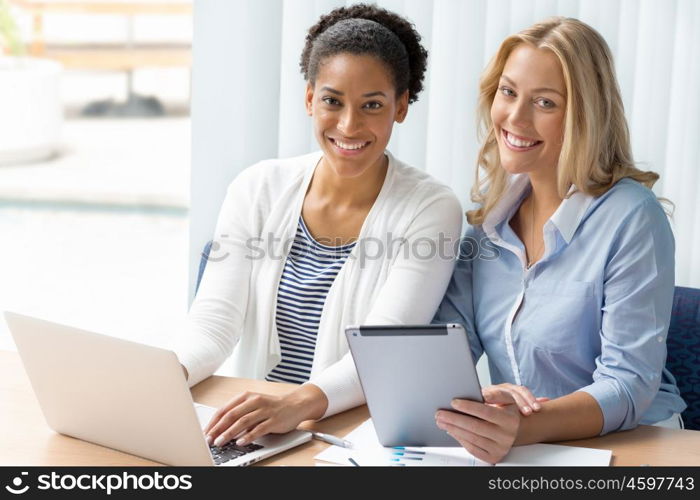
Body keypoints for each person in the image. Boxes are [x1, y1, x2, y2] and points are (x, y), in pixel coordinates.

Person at [173, 4, 463, 448]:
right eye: (332, 101)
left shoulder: (431, 208)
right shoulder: (258, 187)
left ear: (401, 107)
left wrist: (296, 406)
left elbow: (381, 351)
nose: (349, 125)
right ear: (309, 98)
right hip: (257, 429)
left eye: (372, 105)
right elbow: (214, 324)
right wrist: (164, 376)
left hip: (344, 436)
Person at [433, 17, 687, 464]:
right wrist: (472, 402)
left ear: (584, 116)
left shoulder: (632, 218)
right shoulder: (487, 225)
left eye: (544, 102)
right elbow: (447, 349)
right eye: (508, 92)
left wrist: (522, 425)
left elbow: (628, 384)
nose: (514, 117)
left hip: (634, 445)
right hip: (522, 447)